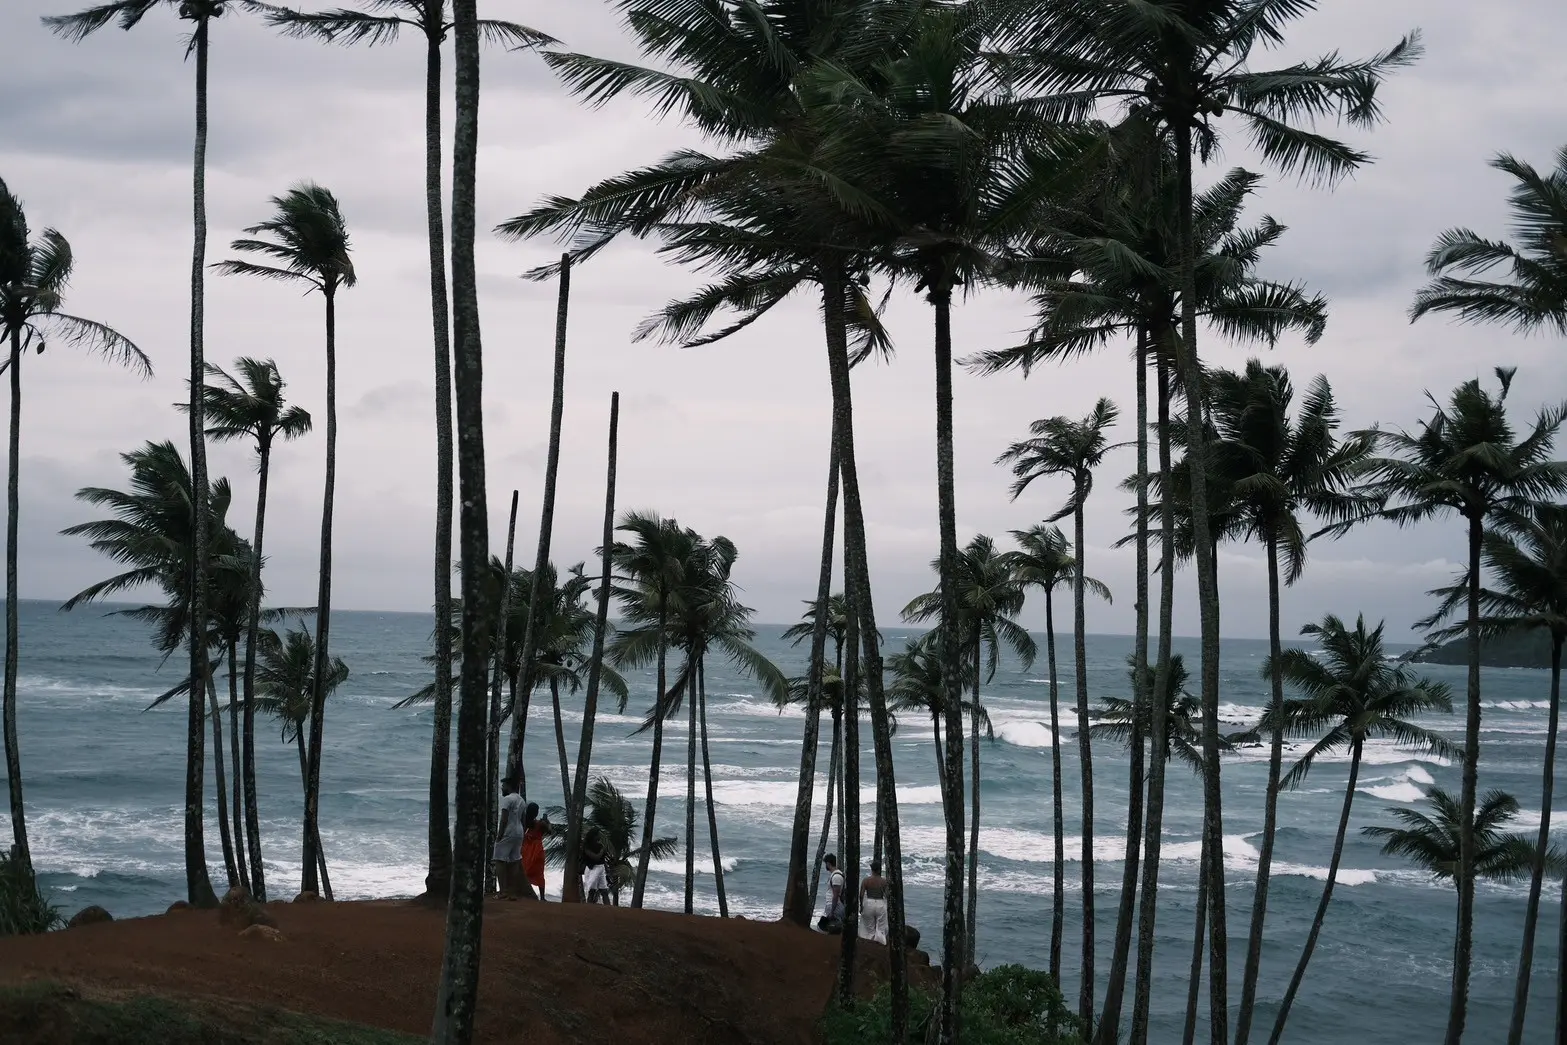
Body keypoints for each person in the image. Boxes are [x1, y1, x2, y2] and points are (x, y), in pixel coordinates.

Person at [491, 776, 525, 899]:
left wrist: (499, 835)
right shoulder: (521, 800)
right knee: (514, 861)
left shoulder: (507, 799)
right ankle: (512, 892)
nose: (502, 788)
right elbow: (522, 819)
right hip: (519, 832)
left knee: (500, 860)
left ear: (509, 786)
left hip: (508, 832)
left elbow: (504, 819)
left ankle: (503, 891)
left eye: (504, 786)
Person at [521, 802, 549, 900]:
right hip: (537, 851)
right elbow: (550, 831)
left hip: (526, 850)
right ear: (536, 813)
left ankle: (524, 892)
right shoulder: (540, 824)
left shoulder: (525, 823)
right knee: (539, 873)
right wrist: (547, 823)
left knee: (526, 871)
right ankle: (542, 897)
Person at [859, 859, 889, 945]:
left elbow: (861, 895)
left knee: (869, 928)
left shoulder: (866, 880)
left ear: (871, 869)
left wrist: (861, 905)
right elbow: (887, 895)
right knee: (880, 928)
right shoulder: (883, 881)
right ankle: (881, 944)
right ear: (879, 870)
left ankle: (869, 944)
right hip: (880, 903)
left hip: (869, 903)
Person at [818, 853, 845, 933]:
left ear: (828, 863)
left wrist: (832, 911)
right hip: (834, 905)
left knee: (833, 929)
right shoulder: (837, 875)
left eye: (825, 863)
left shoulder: (836, 877)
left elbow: (835, 895)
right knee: (832, 928)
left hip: (834, 906)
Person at [582, 837, 612, 905]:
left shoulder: (593, 847)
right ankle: (608, 909)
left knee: (600, 890)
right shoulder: (588, 848)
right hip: (593, 869)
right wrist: (602, 851)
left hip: (598, 869)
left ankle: (608, 909)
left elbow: (602, 860)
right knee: (597, 890)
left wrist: (606, 869)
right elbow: (597, 857)